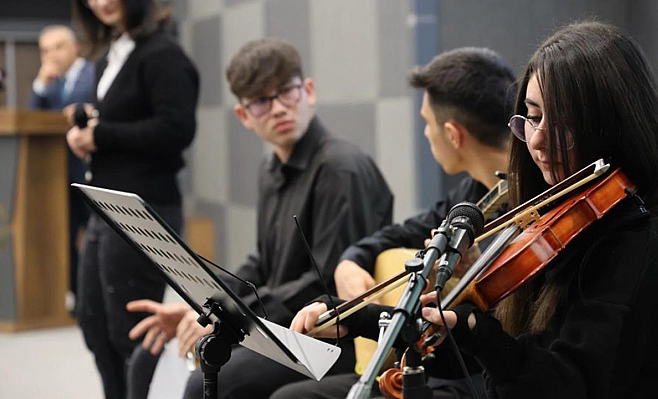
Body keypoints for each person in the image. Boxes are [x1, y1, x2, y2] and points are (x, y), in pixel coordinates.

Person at [291, 21, 658, 399]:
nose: (537, 142)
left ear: (613, 124)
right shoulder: (563, 218)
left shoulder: (640, 243)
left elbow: (566, 385)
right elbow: (466, 359)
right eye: (532, 116)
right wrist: (355, 320)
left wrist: (478, 327)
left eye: (561, 121)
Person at [126, 38, 394, 399]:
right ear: (244, 116)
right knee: (149, 358)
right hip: (282, 327)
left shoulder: (341, 169)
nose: (279, 108)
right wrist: (206, 305)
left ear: (308, 91)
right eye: (262, 101)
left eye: (287, 92)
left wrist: (229, 314)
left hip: (334, 339)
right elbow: (263, 264)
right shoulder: (271, 167)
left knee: (213, 379)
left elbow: (328, 283)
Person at [271, 47, 516, 399]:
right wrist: (352, 259)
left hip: (474, 375)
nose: (426, 134)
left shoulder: (531, 203)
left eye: (426, 124)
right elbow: (401, 233)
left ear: (452, 134)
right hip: (433, 359)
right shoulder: (471, 193)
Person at [68, 0, 199, 398]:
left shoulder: (163, 53)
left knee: (131, 338)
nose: (101, 2)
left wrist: (101, 135)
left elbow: (176, 129)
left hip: (145, 210)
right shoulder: (112, 53)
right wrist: (88, 128)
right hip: (106, 207)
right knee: (94, 326)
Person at [28, 24, 95, 312]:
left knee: (95, 238)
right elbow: (32, 122)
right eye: (44, 50)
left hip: (92, 172)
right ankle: (78, 299)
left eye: (57, 47)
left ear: (75, 47)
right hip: (58, 178)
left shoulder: (94, 74)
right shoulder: (50, 84)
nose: (51, 55)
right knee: (65, 240)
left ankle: (94, 299)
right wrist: (40, 86)